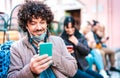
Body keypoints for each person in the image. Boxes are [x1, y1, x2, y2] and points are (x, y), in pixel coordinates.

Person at [7, 1, 77, 78]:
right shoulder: (17, 48)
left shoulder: (58, 41)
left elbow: (73, 70)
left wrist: (54, 56)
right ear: (26, 26)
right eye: (33, 23)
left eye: (42, 22)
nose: (39, 27)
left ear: (47, 24)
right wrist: (30, 70)